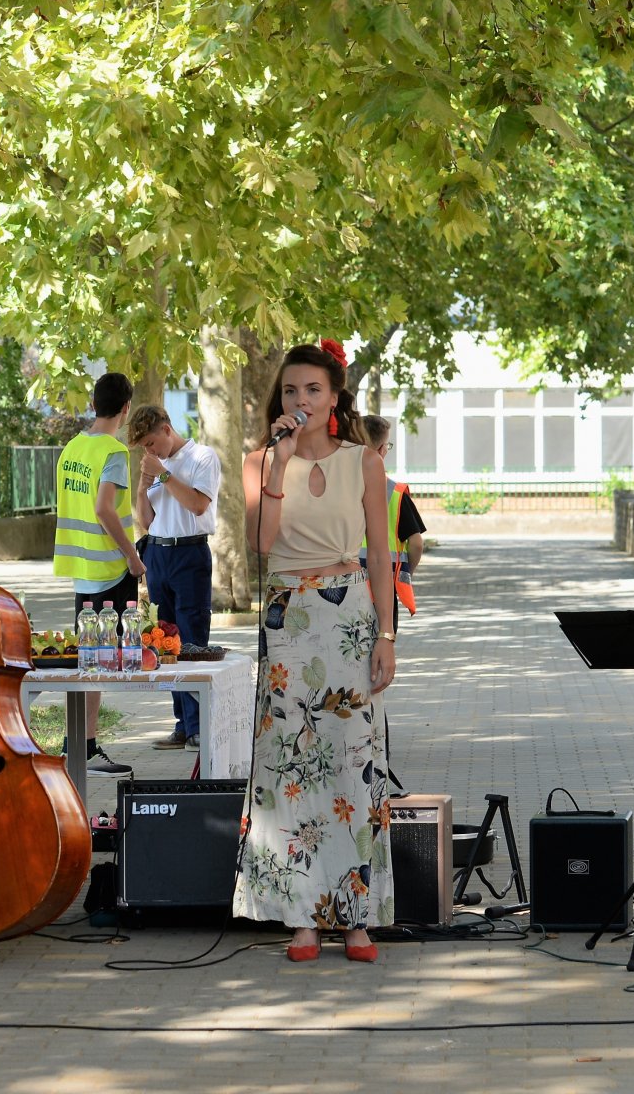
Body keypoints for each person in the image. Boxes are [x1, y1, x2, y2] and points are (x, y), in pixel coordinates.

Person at [235, 339, 397, 962]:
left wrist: (386, 636)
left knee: (353, 765)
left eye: (312, 389)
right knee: (293, 767)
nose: (300, 399)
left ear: (333, 398)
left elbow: (380, 555)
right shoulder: (260, 461)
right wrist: (277, 467)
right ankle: (301, 917)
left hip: (350, 614)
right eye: (290, 390)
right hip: (289, 618)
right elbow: (261, 543)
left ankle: (356, 918)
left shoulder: (365, 462)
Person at [50, 372, 141, 777]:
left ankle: (80, 745)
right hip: (110, 568)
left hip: (82, 570)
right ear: (126, 409)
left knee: (89, 660)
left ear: (93, 405)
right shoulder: (114, 451)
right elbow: (104, 508)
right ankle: (81, 746)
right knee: (111, 660)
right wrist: (132, 557)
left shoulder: (73, 448)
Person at [127, 403, 221, 751]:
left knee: (191, 639)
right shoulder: (156, 466)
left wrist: (164, 475)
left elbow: (198, 505)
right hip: (158, 551)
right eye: (144, 448)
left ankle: (197, 727)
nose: (149, 452)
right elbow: (146, 521)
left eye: (151, 443)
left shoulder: (202, 457)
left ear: (166, 430)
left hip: (189, 552)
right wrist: (143, 486)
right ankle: (181, 724)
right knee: (164, 641)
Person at [358, 414, 427, 623]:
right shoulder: (395, 492)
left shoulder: (336, 484)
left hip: (345, 583)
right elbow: (416, 544)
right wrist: (405, 574)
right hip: (384, 586)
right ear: (381, 450)